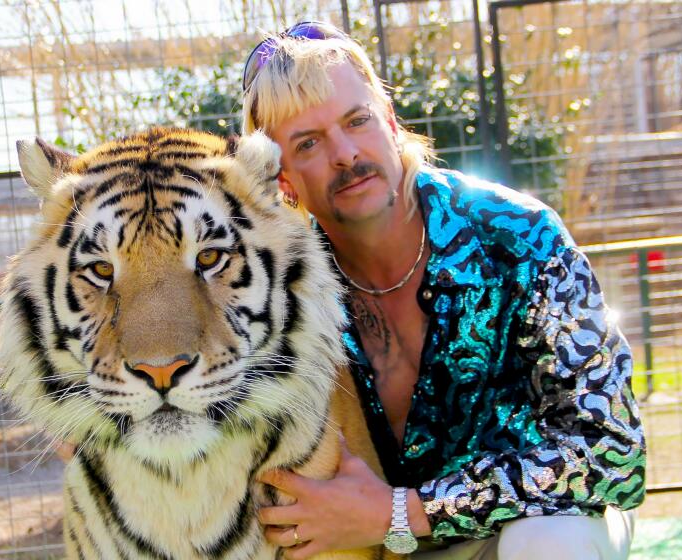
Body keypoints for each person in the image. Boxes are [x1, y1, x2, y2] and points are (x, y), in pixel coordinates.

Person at [241, 21, 646, 560]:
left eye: (357, 121)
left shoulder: (520, 236)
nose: (344, 153)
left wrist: (403, 513)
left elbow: (612, 454)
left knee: (552, 543)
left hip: (520, 527)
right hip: (371, 546)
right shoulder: (282, 295)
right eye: (309, 143)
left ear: (389, 121)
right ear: (284, 179)